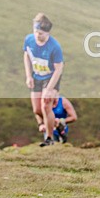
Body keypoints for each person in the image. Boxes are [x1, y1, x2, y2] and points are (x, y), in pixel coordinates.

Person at [23, 13, 64, 146]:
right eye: (36, 32)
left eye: (41, 33)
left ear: (48, 33)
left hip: (51, 77)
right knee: (37, 110)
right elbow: (26, 56)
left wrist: (49, 89)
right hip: (37, 76)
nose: (37, 35)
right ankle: (56, 123)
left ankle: (50, 139)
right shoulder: (28, 40)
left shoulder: (55, 46)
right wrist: (28, 76)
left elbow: (59, 69)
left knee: (45, 104)